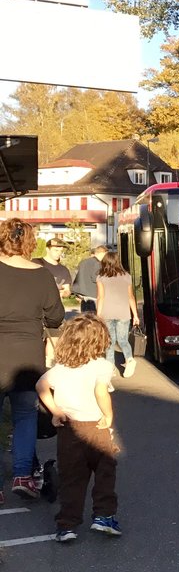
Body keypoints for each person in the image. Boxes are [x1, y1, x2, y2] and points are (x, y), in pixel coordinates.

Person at [36, 315, 121, 541]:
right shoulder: (102, 366)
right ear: (99, 341)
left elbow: (41, 386)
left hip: (68, 429)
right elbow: (100, 392)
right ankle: (103, 517)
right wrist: (108, 415)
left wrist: (55, 411)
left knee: (71, 478)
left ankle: (67, 526)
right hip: (95, 427)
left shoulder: (60, 369)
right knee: (105, 473)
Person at [0, 218, 65, 503]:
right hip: (28, 356)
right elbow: (56, 317)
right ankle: (23, 475)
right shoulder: (42, 275)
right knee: (25, 416)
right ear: (29, 243)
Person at [95, 250, 140, 378]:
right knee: (123, 340)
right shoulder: (127, 276)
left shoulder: (100, 277)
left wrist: (98, 315)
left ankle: (110, 367)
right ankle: (130, 360)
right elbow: (131, 297)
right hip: (123, 313)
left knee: (109, 341)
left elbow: (100, 297)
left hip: (107, 313)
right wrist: (135, 315)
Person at [36, 236, 73, 365]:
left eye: (61, 250)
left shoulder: (63, 270)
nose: (59, 252)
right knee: (37, 340)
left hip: (55, 310)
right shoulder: (37, 264)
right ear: (47, 249)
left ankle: (49, 365)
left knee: (54, 338)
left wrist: (63, 292)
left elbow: (67, 290)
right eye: (56, 249)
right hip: (37, 309)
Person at [72, 244, 108, 313]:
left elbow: (76, 277)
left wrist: (76, 293)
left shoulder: (83, 262)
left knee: (86, 319)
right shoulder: (98, 264)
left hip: (83, 296)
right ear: (103, 253)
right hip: (93, 296)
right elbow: (96, 279)